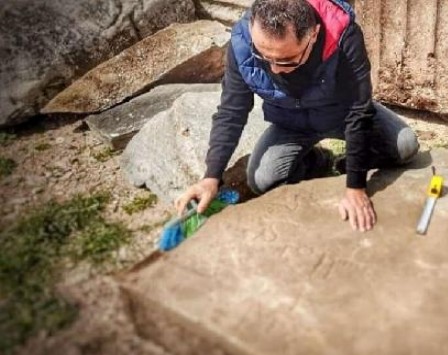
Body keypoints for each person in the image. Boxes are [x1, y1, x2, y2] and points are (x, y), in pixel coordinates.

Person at [176, 0, 419, 232]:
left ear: (313, 34)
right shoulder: (241, 42)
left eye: (287, 61)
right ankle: (319, 161)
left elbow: (359, 111)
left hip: (344, 113)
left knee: (405, 146)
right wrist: (211, 177)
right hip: (291, 122)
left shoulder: (344, 35)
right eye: (263, 56)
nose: (274, 69)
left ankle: (351, 161)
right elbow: (232, 110)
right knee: (262, 180)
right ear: (252, 28)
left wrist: (356, 187)